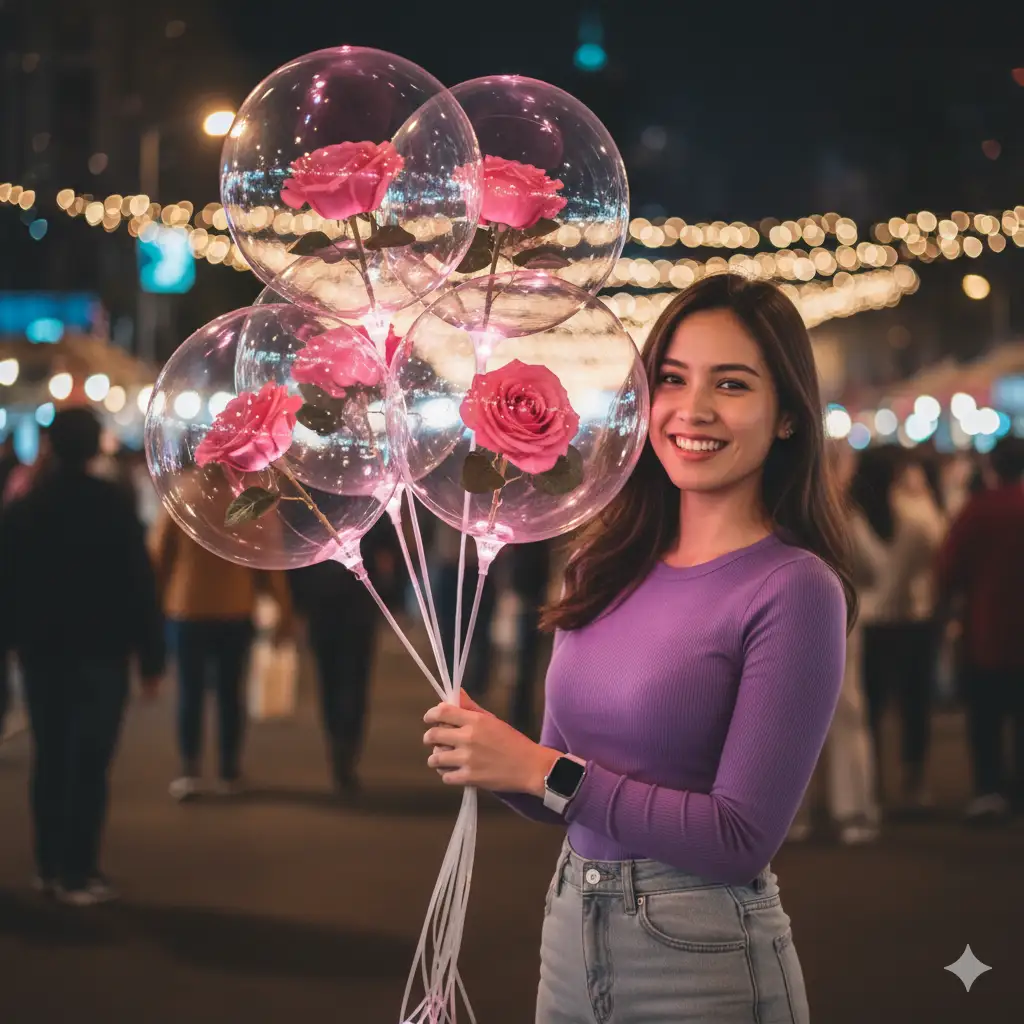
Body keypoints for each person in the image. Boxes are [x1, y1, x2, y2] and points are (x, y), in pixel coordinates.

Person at [422, 274, 851, 1022]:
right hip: (567, 934)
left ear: (787, 416)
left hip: (703, 957)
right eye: (673, 380)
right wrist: (488, 755)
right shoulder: (606, 561)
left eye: (733, 384)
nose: (694, 410)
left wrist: (535, 766)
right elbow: (562, 797)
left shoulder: (794, 588)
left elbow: (739, 838)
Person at [0, 407, 165, 905]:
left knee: (49, 756)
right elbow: (139, 583)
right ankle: (79, 869)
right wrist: (151, 657)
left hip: (42, 652)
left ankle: (48, 865)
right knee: (91, 762)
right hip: (102, 651)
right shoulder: (111, 504)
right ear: (96, 446)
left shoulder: (26, 508)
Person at [150, 507, 294, 800]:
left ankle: (189, 769)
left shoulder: (182, 496)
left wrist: (152, 605)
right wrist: (283, 609)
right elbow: (266, 560)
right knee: (230, 693)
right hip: (235, 607)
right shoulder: (248, 501)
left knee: (190, 692)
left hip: (186, 608)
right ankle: (229, 769)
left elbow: (158, 555)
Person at [789, 443, 883, 845]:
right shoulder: (843, 515)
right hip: (841, 621)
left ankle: (793, 816)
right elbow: (875, 568)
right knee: (847, 719)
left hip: (787, 624)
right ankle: (854, 813)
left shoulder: (779, 511)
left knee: (788, 721)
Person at [936, 436, 1024, 823]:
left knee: (986, 717)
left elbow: (948, 568)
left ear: (992, 467)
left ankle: (989, 791)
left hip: (986, 630)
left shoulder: (978, 510)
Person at [853, 448, 945, 810]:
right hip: (912, 620)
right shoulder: (915, 515)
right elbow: (938, 549)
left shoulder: (849, 518)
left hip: (868, 623)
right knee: (914, 703)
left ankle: (873, 784)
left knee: (871, 707)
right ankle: (913, 779)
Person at [288, 518, 400, 797]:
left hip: (323, 606)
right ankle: (346, 751)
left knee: (330, 681)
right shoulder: (368, 499)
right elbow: (390, 554)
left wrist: (297, 604)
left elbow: (295, 558)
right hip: (356, 604)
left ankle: (339, 748)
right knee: (354, 682)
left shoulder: (310, 502)